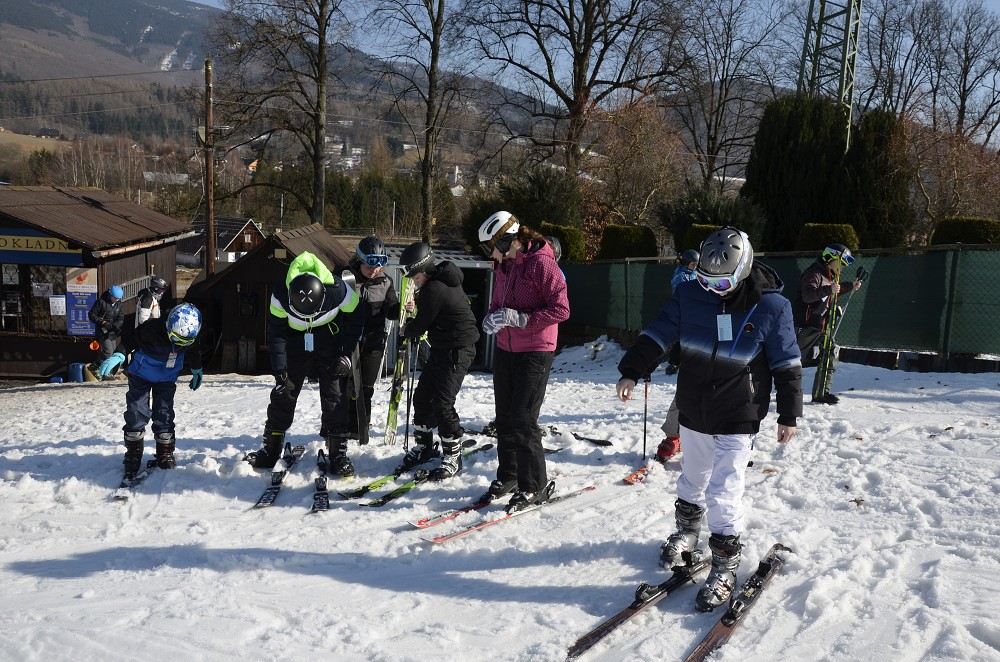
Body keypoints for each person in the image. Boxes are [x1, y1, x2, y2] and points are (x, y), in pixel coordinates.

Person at [615, 228, 802, 612]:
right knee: (693, 477)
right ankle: (686, 532)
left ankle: (725, 564)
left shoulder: (772, 307)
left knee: (723, 491)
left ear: (744, 269)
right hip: (694, 407)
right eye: (707, 280)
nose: (714, 289)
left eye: (723, 282)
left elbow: (787, 363)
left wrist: (789, 413)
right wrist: (632, 369)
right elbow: (659, 333)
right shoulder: (689, 294)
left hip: (739, 412)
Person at [477, 211, 570, 512]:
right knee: (504, 416)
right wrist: (491, 318)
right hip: (507, 347)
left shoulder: (542, 263)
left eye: (489, 246)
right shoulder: (503, 265)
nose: (488, 254)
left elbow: (561, 309)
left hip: (536, 349)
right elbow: (496, 302)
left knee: (523, 417)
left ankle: (534, 486)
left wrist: (523, 319)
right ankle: (510, 476)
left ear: (506, 240)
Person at [247, 251, 363, 476]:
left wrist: (346, 354)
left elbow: (357, 317)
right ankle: (271, 449)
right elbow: (276, 334)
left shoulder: (338, 291)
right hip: (295, 341)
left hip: (330, 339)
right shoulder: (280, 294)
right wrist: (280, 370)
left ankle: (337, 452)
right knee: (283, 392)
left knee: (335, 393)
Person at [394, 241, 481, 480]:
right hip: (443, 349)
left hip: (458, 350)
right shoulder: (439, 281)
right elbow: (428, 313)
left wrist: (406, 328)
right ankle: (424, 447)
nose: (412, 280)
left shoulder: (436, 288)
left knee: (442, 404)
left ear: (423, 270)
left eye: (414, 276)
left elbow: (420, 325)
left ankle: (453, 454)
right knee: (422, 398)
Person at [97, 302, 204, 476]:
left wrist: (196, 369)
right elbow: (131, 339)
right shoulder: (151, 328)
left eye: (185, 342)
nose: (179, 344)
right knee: (136, 411)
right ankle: (133, 451)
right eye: (176, 338)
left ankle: (165, 451)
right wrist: (119, 354)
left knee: (164, 412)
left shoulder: (192, 333)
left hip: (167, 377)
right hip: (141, 374)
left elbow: (193, 351)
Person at [793, 243, 862, 405]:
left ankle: (822, 392)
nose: (842, 268)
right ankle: (786, 391)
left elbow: (834, 288)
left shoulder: (829, 276)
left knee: (831, 352)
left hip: (822, 325)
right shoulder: (814, 274)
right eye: (841, 264)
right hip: (806, 324)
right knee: (794, 359)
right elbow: (808, 296)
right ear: (830, 259)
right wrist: (828, 290)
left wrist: (851, 286)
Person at [347, 235, 400, 438]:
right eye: (370, 263)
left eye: (379, 264)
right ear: (360, 260)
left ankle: (361, 425)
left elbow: (391, 310)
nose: (374, 269)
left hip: (373, 341)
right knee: (347, 386)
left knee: (366, 387)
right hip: (349, 341)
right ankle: (343, 426)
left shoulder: (386, 282)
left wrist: (403, 307)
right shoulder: (345, 279)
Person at [655, 248, 701, 462]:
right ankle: (674, 434)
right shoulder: (682, 279)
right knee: (685, 389)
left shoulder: (700, 279)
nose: (695, 269)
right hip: (687, 333)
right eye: (692, 265)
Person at [88, 285, 125, 373]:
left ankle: (103, 369)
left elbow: (121, 318)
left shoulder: (119, 304)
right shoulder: (101, 302)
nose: (117, 300)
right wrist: (102, 322)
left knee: (113, 354)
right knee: (108, 352)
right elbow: (91, 314)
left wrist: (116, 326)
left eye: (119, 298)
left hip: (112, 332)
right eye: (115, 298)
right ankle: (100, 369)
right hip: (103, 332)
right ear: (110, 295)